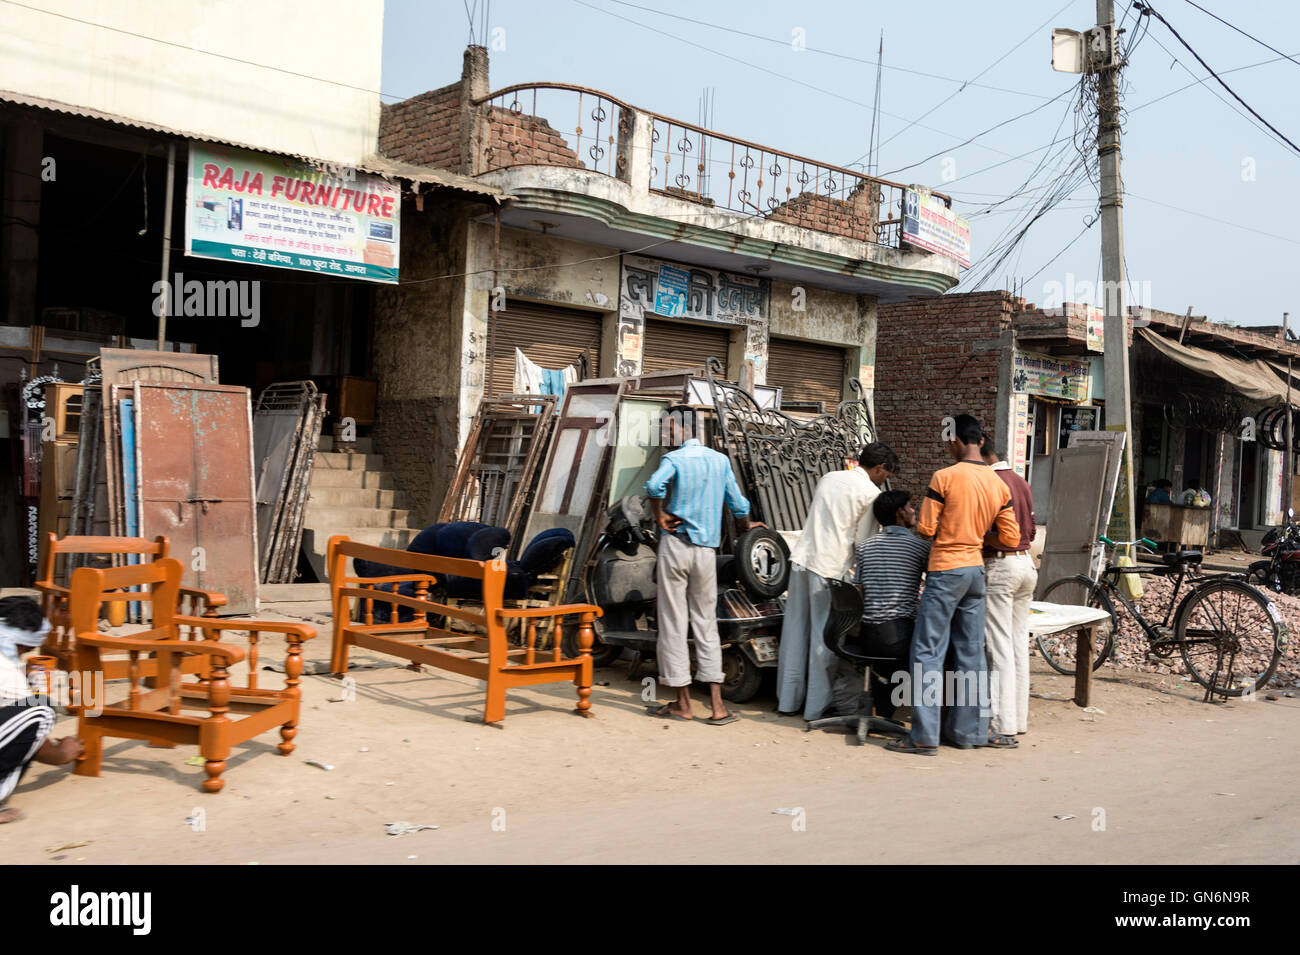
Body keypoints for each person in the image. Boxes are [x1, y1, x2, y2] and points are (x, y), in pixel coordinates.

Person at [887, 414, 1020, 756]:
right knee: (971, 653)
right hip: (976, 572)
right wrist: (975, 536)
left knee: (927, 652)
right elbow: (1011, 537)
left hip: (946, 570)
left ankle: (924, 736)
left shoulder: (944, 477)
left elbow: (927, 529)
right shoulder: (998, 484)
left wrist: (952, 530)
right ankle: (969, 732)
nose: (947, 446)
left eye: (948, 440)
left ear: (957, 441)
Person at [644, 406, 761, 724]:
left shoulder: (674, 460)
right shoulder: (719, 460)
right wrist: (746, 528)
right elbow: (739, 506)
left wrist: (659, 515)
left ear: (683, 429)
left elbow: (654, 487)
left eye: (668, 429)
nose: (665, 436)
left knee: (673, 622)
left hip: (676, 546)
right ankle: (718, 707)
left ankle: (683, 703)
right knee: (706, 624)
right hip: (706, 553)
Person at [778, 442, 899, 720]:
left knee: (794, 634)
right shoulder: (870, 493)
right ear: (880, 468)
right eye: (886, 475)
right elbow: (863, 543)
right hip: (830, 569)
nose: (885, 481)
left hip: (802, 560)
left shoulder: (829, 478)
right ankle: (815, 709)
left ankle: (788, 701)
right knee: (825, 640)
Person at [0, 598, 83, 824]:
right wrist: (62, 755)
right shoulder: (7, 670)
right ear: (24, 644)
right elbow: (39, 745)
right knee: (41, 709)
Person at [979, 434, 1037, 749]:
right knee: (1016, 645)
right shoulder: (1020, 480)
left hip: (1002, 565)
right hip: (1026, 564)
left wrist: (979, 539)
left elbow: (994, 534)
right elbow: (1031, 529)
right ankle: (1017, 719)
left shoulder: (991, 483)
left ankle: (1001, 725)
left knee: (998, 645)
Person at [853, 490, 931, 717]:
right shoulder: (919, 548)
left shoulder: (865, 547)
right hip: (898, 636)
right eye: (910, 507)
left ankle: (880, 711)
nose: (914, 511)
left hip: (866, 637)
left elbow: (860, 591)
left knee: (885, 665)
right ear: (900, 513)